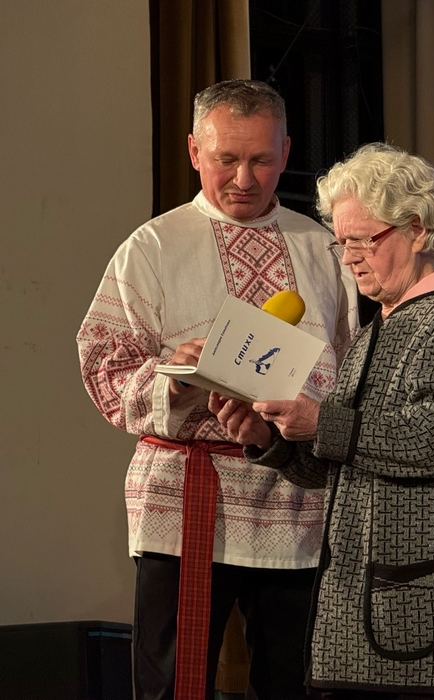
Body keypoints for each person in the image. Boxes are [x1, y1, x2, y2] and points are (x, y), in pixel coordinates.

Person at [210, 143, 434, 699]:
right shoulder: (375, 332)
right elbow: (342, 466)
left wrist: (322, 422)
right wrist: (270, 439)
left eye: (363, 240)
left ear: (417, 230)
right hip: (377, 618)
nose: (350, 258)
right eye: (342, 243)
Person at [77, 79, 358, 700]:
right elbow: (103, 367)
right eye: (226, 159)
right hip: (186, 493)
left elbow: (352, 366)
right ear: (193, 151)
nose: (244, 179)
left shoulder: (325, 249)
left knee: (297, 686)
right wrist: (173, 379)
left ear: (286, 152)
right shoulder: (154, 247)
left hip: (295, 497)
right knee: (175, 687)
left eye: (261, 160)